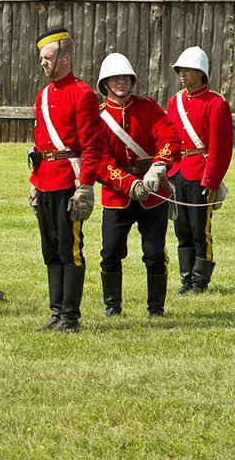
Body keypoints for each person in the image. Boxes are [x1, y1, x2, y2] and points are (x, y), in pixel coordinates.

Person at [29, 27, 104, 332]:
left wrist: (85, 187)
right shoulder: (43, 94)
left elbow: (92, 146)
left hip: (68, 181)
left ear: (66, 58)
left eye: (48, 57)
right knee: (50, 248)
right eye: (42, 58)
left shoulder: (82, 93)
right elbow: (39, 142)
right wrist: (34, 183)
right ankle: (57, 312)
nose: (43, 63)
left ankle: (70, 317)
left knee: (69, 249)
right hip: (45, 178)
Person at [95, 53, 180, 318]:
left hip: (153, 193)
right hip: (117, 195)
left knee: (155, 253)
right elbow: (100, 159)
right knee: (110, 251)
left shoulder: (148, 107)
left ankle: (156, 308)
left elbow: (170, 137)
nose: (121, 82)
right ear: (105, 83)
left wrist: (159, 166)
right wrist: (129, 184)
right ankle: (113, 306)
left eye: (125, 77)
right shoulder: (98, 117)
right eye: (115, 78)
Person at [165, 46, 232, 294]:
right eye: (180, 70)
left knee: (199, 228)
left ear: (201, 72)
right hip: (178, 171)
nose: (183, 74)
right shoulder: (175, 101)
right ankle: (186, 278)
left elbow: (221, 147)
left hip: (201, 172)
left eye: (188, 70)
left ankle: (199, 280)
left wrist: (211, 180)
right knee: (181, 227)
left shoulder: (216, 103)